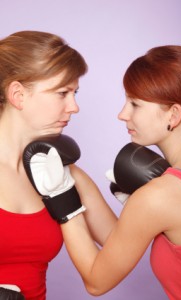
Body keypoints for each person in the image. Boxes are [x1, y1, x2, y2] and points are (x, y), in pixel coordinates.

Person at [29, 45, 181, 299]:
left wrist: (62, 200)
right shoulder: (172, 190)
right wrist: (73, 176)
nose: (122, 114)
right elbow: (119, 244)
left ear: (173, 114)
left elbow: (97, 282)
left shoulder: (163, 195)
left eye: (135, 104)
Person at [0, 30, 117, 299]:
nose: (74, 107)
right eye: (62, 93)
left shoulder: (64, 174)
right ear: (18, 94)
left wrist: (143, 201)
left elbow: (118, 250)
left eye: (75, 93)